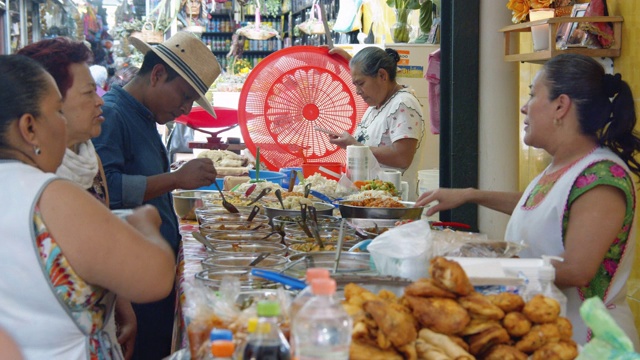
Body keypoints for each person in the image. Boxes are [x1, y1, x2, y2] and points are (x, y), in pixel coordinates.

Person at [415, 54, 640, 349]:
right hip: (548, 333)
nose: (524, 106)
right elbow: (543, 208)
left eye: (533, 95)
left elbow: (577, 270)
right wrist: (469, 194)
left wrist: (487, 269)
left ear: (561, 105)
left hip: (588, 342)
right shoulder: (564, 166)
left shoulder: (602, 176)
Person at [0, 55, 175, 359]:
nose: (63, 124)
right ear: (29, 128)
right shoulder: (48, 195)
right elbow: (156, 277)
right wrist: (144, 220)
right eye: (57, 111)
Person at [93, 31, 220, 360]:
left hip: (151, 277)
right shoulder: (113, 115)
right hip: (131, 282)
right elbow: (105, 190)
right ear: (158, 74)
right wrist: (176, 179)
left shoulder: (144, 115)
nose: (186, 108)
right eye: (184, 95)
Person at [18, 37, 138, 359]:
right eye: (88, 93)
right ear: (48, 101)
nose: (100, 101)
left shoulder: (88, 156)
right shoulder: (32, 180)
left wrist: (122, 303)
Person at [327, 47, 425, 200]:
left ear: (382, 75)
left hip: (391, 204)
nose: (358, 91)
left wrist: (355, 146)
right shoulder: (377, 105)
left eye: (361, 83)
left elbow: (402, 157)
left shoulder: (403, 104)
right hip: (370, 201)